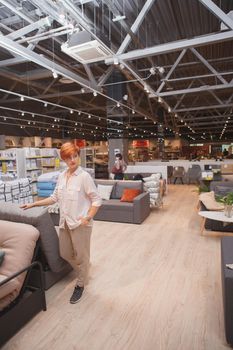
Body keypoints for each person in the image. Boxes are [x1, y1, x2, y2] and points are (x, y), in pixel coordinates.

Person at [21, 142, 102, 304]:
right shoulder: (62, 176)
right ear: (64, 159)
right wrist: (33, 204)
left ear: (78, 157)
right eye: (68, 157)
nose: (72, 160)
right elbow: (54, 198)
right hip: (64, 222)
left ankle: (80, 284)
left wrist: (87, 217)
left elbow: (96, 199)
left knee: (82, 255)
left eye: (75, 156)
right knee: (65, 253)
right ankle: (83, 270)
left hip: (80, 225)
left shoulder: (84, 177)